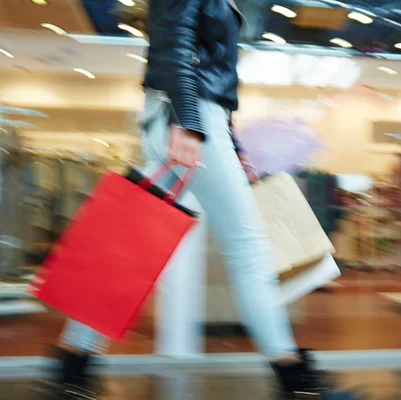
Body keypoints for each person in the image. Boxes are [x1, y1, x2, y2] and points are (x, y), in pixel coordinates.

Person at [34, 0, 359, 399]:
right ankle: (294, 379)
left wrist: (231, 141)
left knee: (129, 250)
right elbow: (175, 44)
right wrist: (189, 121)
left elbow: (209, 62)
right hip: (191, 117)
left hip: (194, 117)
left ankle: (71, 368)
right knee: (248, 252)